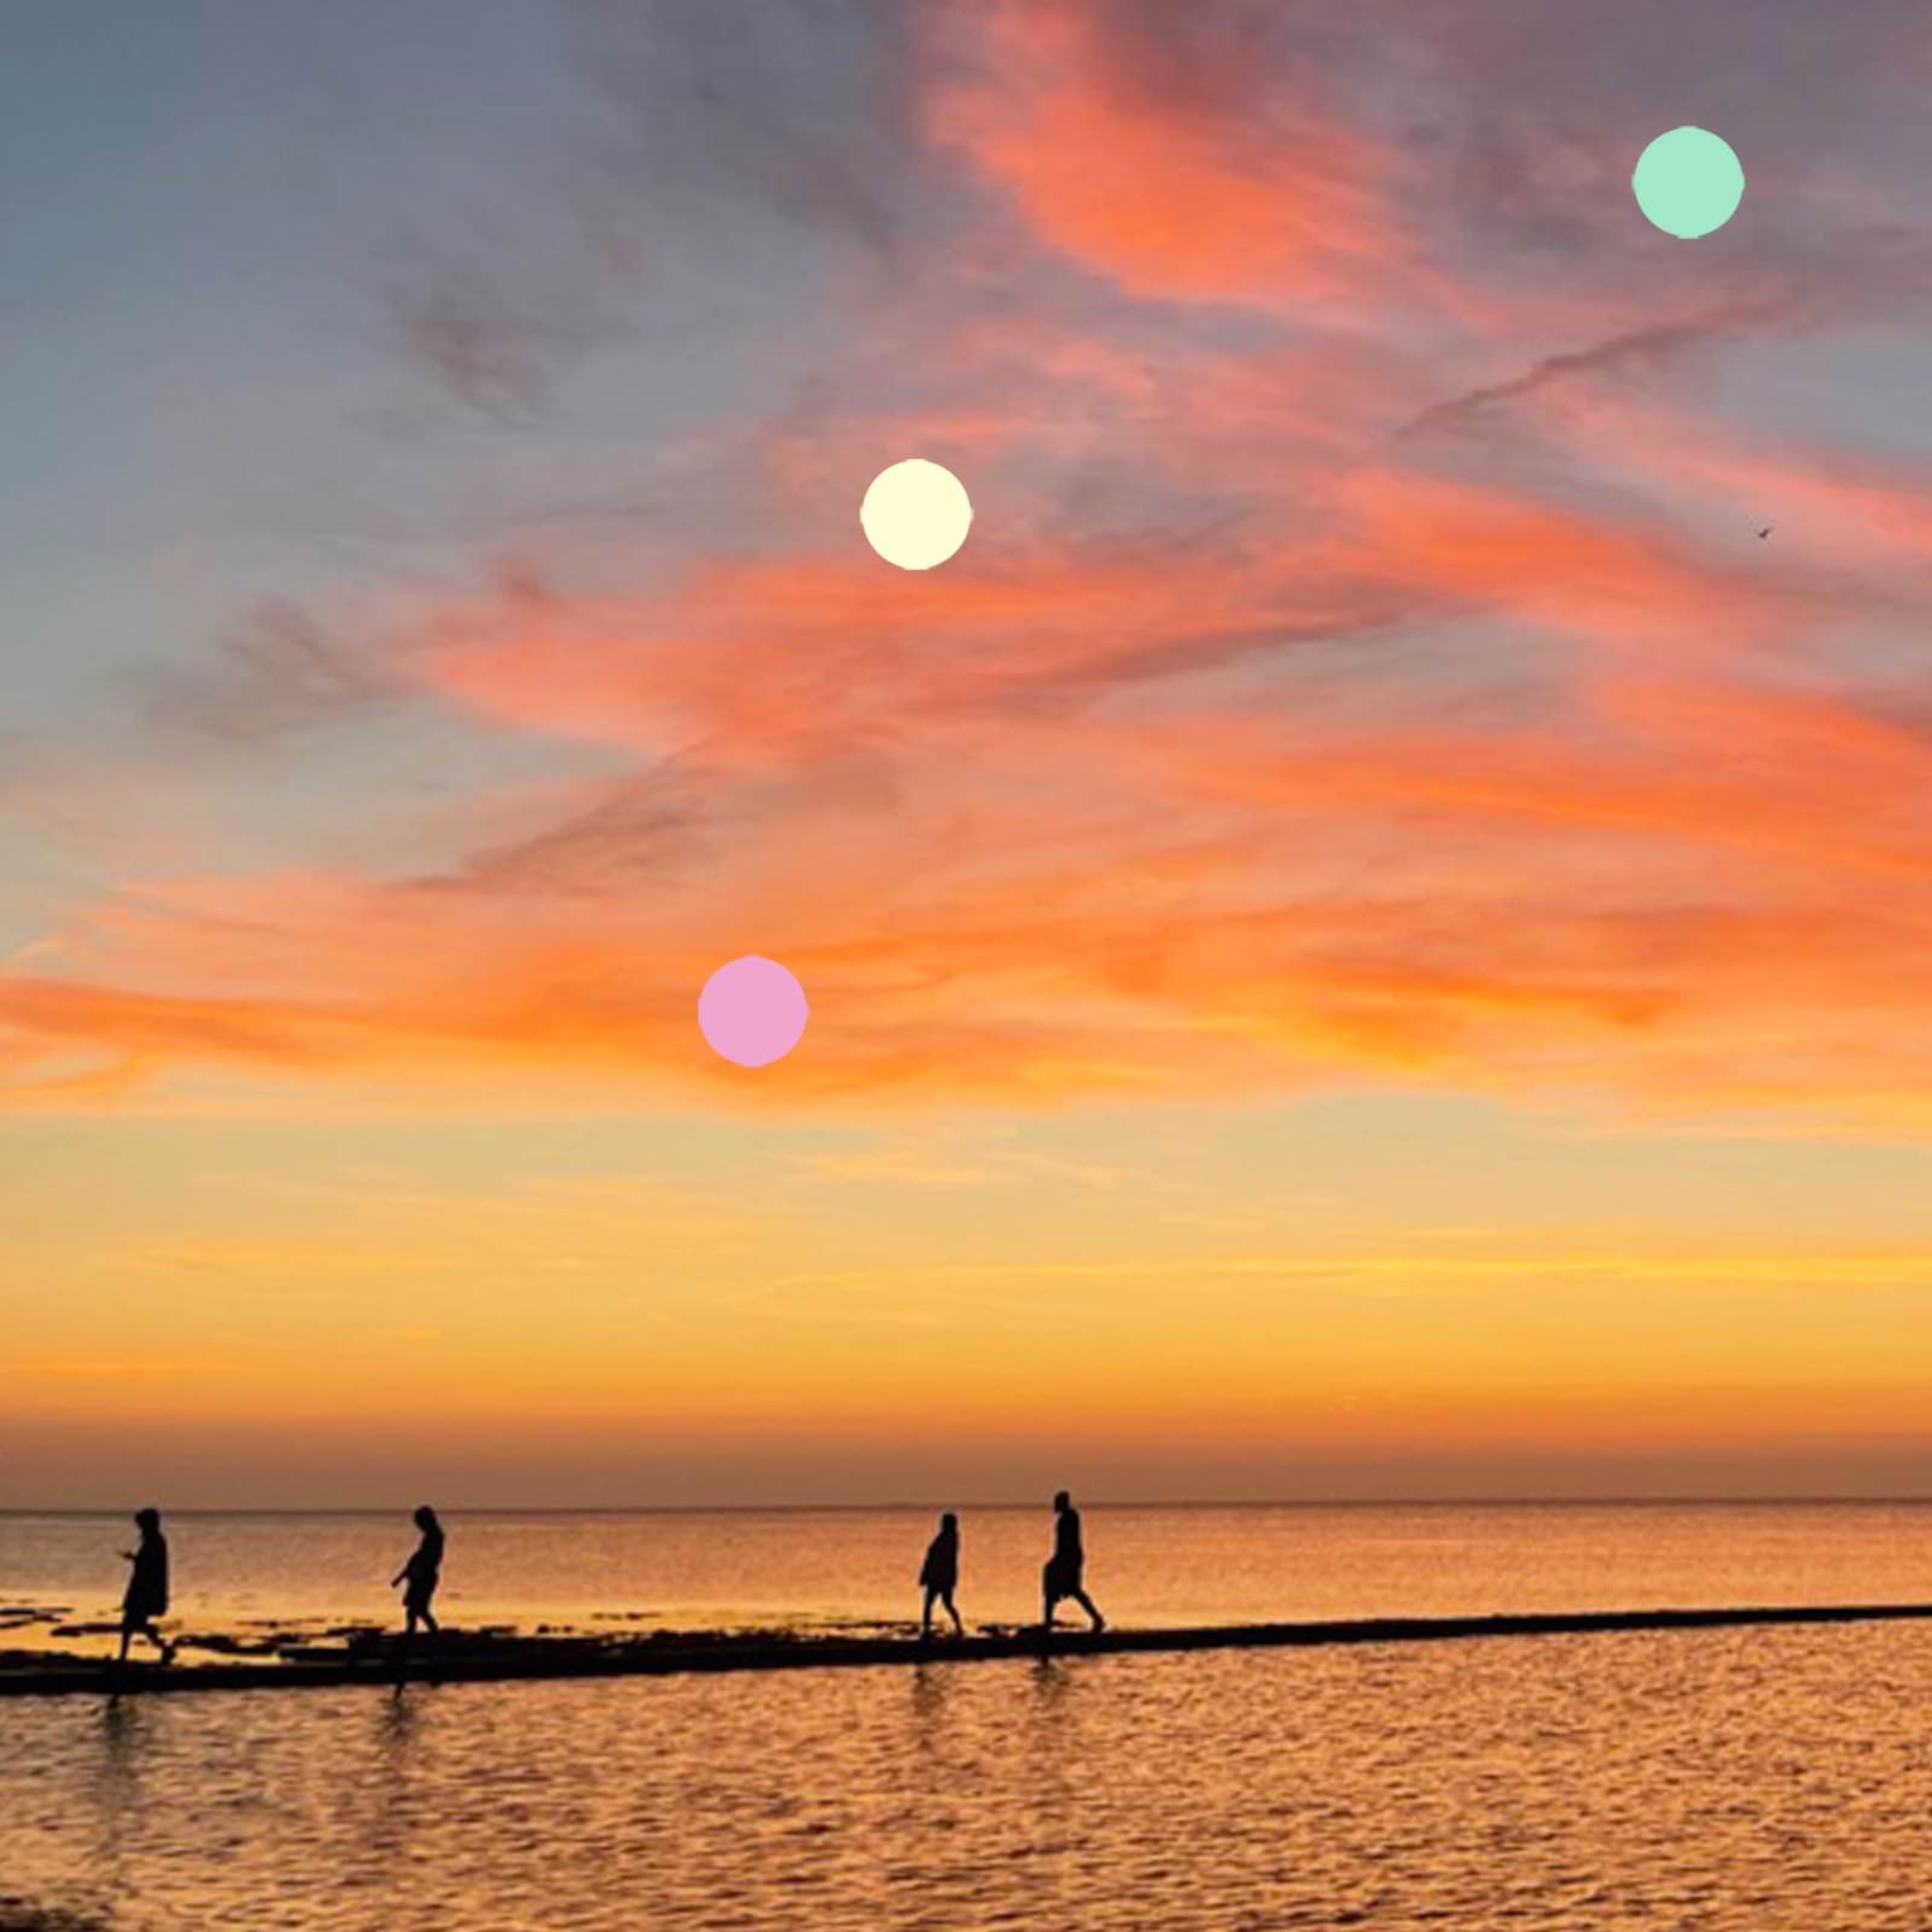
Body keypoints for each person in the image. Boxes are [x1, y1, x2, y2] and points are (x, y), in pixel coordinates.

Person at [117, 1508, 176, 1667]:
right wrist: (135, 1559)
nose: (139, 1527)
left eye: (141, 1523)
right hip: (142, 1588)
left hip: (145, 1590)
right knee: (135, 1624)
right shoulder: (153, 1540)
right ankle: (164, 1649)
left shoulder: (155, 1541)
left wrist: (135, 1560)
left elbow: (150, 1565)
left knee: (130, 1624)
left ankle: (123, 1658)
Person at [1041, 1490, 1104, 1632]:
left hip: (1069, 1558)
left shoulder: (1070, 1517)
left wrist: (1062, 1561)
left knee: (1074, 1590)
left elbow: (1068, 1542)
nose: (1055, 1506)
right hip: (1064, 1558)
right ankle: (1048, 1622)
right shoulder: (1065, 1518)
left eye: (1057, 1503)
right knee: (1052, 1590)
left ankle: (1097, 1619)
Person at [390, 1506, 445, 1640]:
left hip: (425, 1577)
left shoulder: (435, 1536)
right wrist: (403, 1576)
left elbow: (428, 1558)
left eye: (419, 1522)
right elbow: (417, 1559)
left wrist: (413, 1573)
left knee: (418, 1609)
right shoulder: (430, 1536)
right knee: (415, 1609)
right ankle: (416, 1633)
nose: (418, 1525)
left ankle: (430, 1635)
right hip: (419, 1576)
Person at [918, 1511, 964, 1640]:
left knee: (943, 1603)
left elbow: (943, 1558)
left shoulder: (951, 1539)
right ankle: (927, 1629)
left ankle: (957, 1627)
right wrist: (925, 1574)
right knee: (934, 1604)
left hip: (941, 1577)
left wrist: (928, 1574)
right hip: (937, 1576)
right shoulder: (943, 1537)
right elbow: (931, 1557)